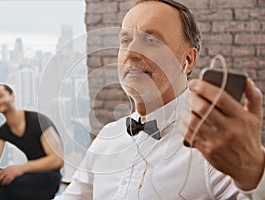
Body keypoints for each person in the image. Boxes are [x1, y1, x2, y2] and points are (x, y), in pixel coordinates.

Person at [55, 0, 265, 199]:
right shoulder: (107, 138)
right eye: (126, 41)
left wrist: (253, 173)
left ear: (188, 59)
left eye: (151, 40)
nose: (131, 53)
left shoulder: (215, 145)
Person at [0, 84, 64, 200]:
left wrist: (19, 169)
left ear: (12, 96)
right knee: (0, 192)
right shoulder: (3, 131)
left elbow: (57, 160)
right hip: (30, 177)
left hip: (49, 178)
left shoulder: (37, 121)